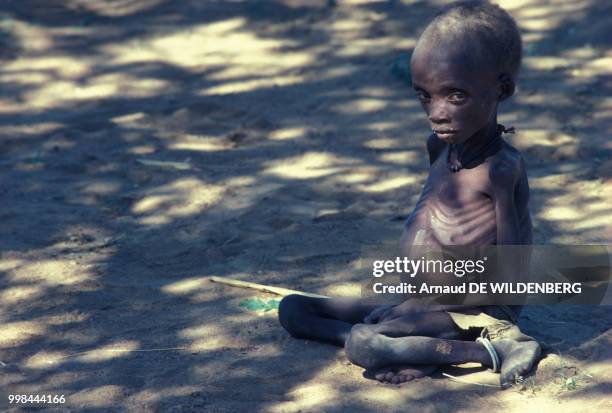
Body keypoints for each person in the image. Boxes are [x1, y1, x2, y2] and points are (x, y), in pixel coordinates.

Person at [278, 0, 541, 388]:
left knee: (365, 343)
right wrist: (406, 299)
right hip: (412, 295)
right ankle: (417, 345)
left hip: (470, 310)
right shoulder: (439, 148)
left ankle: (487, 350)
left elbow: (512, 276)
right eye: (424, 96)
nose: (436, 112)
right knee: (293, 309)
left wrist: (424, 306)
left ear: (501, 89)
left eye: (455, 96)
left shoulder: (501, 169)